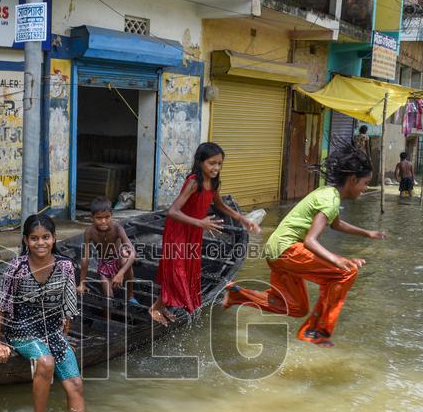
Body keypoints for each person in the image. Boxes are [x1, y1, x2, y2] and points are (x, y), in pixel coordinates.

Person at [223, 141, 387, 347]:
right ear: (353, 180)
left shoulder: (327, 193)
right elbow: (310, 241)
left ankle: (237, 294)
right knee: (347, 272)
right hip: (286, 250)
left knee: (297, 308)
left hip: (276, 251)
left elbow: (335, 224)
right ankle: (317, 331)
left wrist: (367, 233)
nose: (365, 189)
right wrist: (336, 259)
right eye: (365, 183)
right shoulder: (331, 199)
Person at [150, 142, 261, 326]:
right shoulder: (194, 182)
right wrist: (201, 222)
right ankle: (155, 308)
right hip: (179, 229)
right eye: (212, 163)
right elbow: (173, 211)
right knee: (176, 269)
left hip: (194, 230)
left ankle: (161, 306)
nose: (216, 168)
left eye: (219, 163)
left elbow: (220, 205)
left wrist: (242, 219)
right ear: (200, 162)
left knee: (185, 270)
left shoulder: (215, 182)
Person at [0, 214, 84, 412]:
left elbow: (68, 308)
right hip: (21, 329)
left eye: (46, 237)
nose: (40, 243)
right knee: (46, 362)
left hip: (52, 330)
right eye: (34, 238)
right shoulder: (18, 267)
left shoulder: (65, 266)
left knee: (75, 383)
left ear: (54, 238)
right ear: (26, 240)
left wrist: (64, 338)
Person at [78, 198, 138, 304]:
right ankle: (109, 315)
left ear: (111, 215)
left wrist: (120, 273)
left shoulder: (117, 228)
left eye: (107, 217)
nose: (103, 221)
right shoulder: (89, 232)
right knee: (108, 299)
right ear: (92, 218)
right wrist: (82, 282)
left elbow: (133, 253)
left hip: (119, 260)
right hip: (105, 262)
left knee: (125, 255)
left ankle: (130, 295)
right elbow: (85, 258)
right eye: (99, 218)